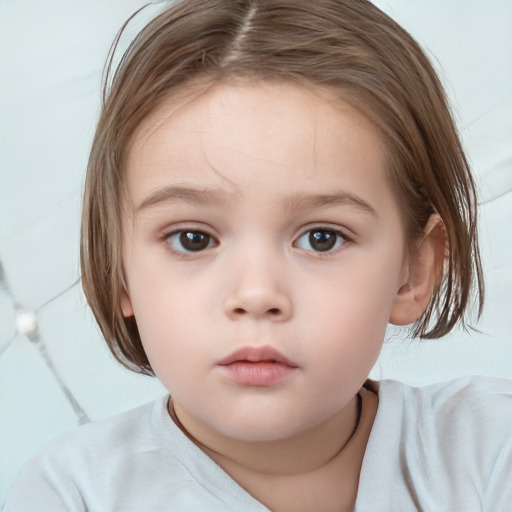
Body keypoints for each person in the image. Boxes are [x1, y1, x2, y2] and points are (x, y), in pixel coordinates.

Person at [5, 0, 512, 510]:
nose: (256, 295)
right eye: (193, 239)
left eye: (322, 238)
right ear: (119, 270)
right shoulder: (74, 493)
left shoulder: (488, 450)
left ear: (414, 271)